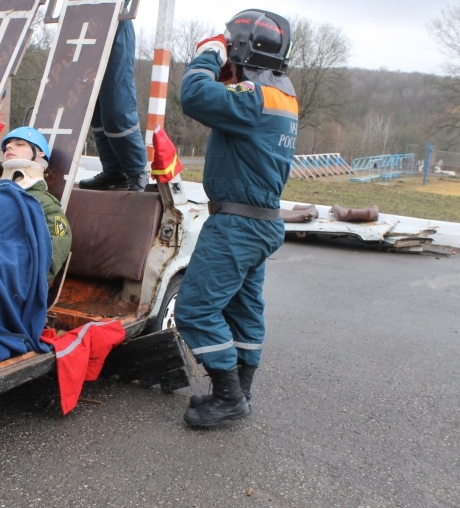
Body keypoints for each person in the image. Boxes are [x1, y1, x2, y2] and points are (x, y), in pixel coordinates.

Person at [174, 9, 299, 428]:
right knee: (244, 310)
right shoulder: (281, 92)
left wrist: (209, 55)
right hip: (262, 221)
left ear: (243, 45)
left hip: (237, 225)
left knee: (194, 309)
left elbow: (193, 95)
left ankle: (228, 397)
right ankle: (241, 391)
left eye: (231, 43)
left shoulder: (252, 97)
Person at [77, 3, 149, 192]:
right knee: (95, 107)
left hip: (114, 21)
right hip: (82, 23)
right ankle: (114, 171)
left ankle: (136, 170)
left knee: (117, 106)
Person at [0, 127, 72, 284]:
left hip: (13, 284)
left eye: (20, 144)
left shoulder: (47, 205)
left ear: (39, 156)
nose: (9, 147)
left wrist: (24, 284)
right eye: (8, 145)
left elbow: (54, 252)